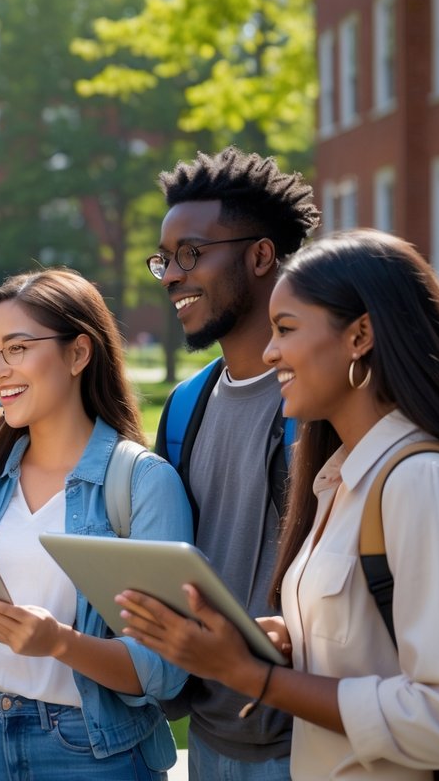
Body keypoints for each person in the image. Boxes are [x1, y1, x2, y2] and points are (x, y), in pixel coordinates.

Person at [118, 230, 439, 779]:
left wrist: (252, 676)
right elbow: (369, 650)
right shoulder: (339, 479)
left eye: (286, 329)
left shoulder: (422, 484)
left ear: (360, 336)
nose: (269, 350)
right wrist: (285, 643)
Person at [0, 267, 193, 780]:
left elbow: (163, 671)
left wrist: (59, 643)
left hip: (92, 753)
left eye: (18, 348)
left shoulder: (142, 483)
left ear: (79, 353)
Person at [147, 146, 319, 778]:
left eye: (192, 253)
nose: (170, 275)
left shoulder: (325, 401)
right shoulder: (187, 403)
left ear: (261, 255)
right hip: (210, 730)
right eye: (165, 259)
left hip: (307, 734)